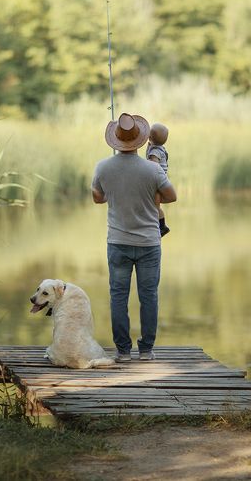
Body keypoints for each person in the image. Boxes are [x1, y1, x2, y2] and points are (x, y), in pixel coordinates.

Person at [91, 113, 177, 362]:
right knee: (148, 295)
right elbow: (171, 196)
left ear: (115, 140)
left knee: (118, 295)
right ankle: (147, 351)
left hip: (117, 242)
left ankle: (123, 352)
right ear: (141, 140)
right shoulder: (152, 169)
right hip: (149, 242)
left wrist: (113, 193)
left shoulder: (102, 167)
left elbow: (98, 197)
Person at [146, 122, 171, 237]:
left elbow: (154, 167)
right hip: (162, 178)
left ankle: (162, 226)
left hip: (157, 181)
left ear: (150, 137)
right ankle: (160, 225)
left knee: (155, 207)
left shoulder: (155, 152)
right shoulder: (160, 148)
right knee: (155, 206)